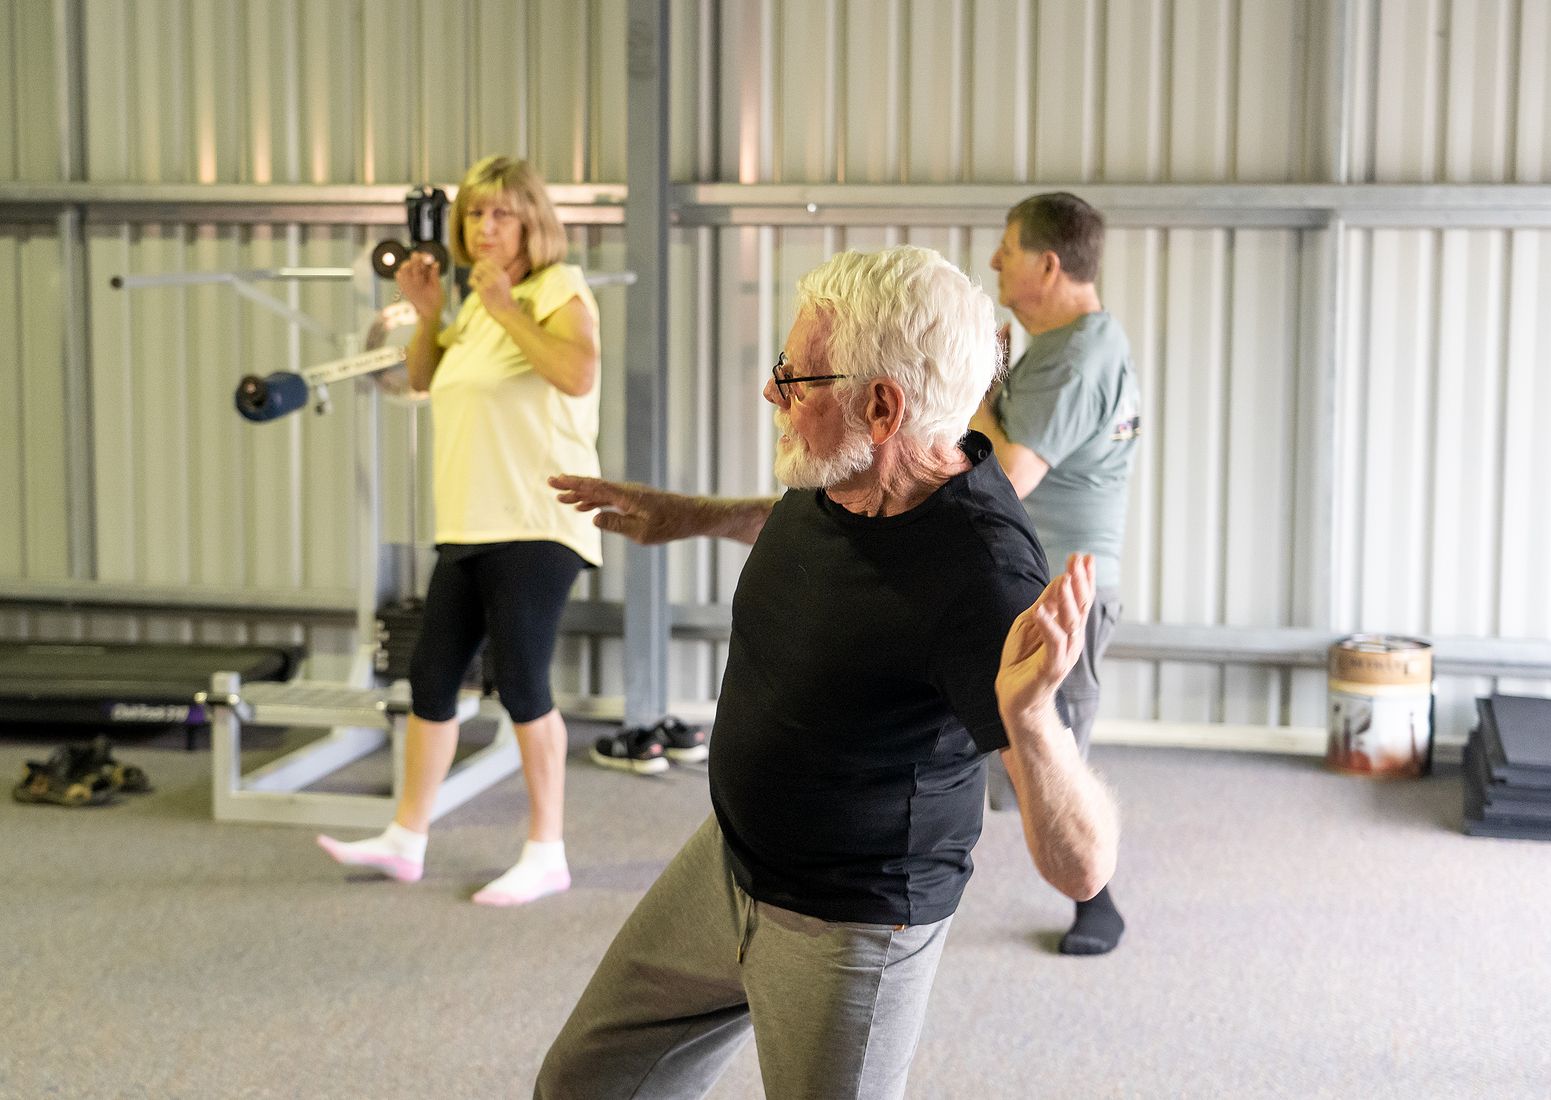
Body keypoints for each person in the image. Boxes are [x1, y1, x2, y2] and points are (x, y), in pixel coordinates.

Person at [535, 246, 1119, 1099]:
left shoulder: (985, 578)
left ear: (883, 408)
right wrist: (686, 517)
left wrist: (1031, 723)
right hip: (730, 861)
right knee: (583, 1086)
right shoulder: (842, 474)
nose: (772, 393)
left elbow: (1084, 869)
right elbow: (818, 532)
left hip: (851, 926)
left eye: (794, 379)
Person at [316, 155, 603, 907]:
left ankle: (548, 850)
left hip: (537, 522)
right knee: (431, 678)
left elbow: (577, 375)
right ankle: (407, 839)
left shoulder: (553, 289)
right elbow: (421, 379)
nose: (484, 227)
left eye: (501, 213)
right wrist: (432, 310)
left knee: (523, 684)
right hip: (469, 521)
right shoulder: (475, 303)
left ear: (532, 222)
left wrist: (507, 308)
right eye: (474, 214)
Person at [969, 191, 1143, 956]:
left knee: (1052, 748)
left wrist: (977, 393)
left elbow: (1008, 473)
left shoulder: (1076, 356)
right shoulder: (1074, 346)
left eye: (1007, 247)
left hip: (1059, 591)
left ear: (1047, 262)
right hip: (1042, 580)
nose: (994, 261)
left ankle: (1097, 900)